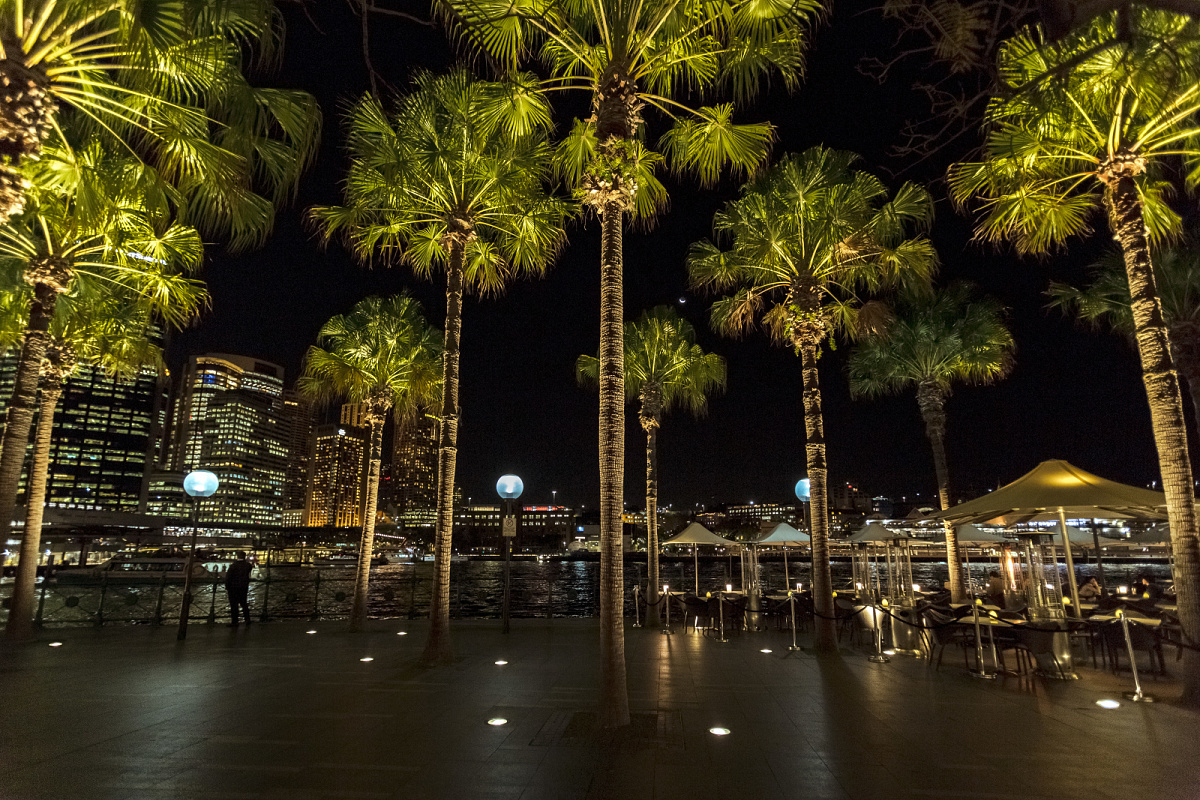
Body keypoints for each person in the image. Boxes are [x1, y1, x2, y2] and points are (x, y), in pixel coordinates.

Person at [225, 551, 253, 627]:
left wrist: (227, 587)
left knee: (234, 605)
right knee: (244, 604)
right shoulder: (248, 566)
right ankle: (247, 619)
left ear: (237, 556)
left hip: (233, 588)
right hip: (243, 587)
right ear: (244, 557)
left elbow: (228, 577)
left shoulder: (233, 566)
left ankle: (235, 621)